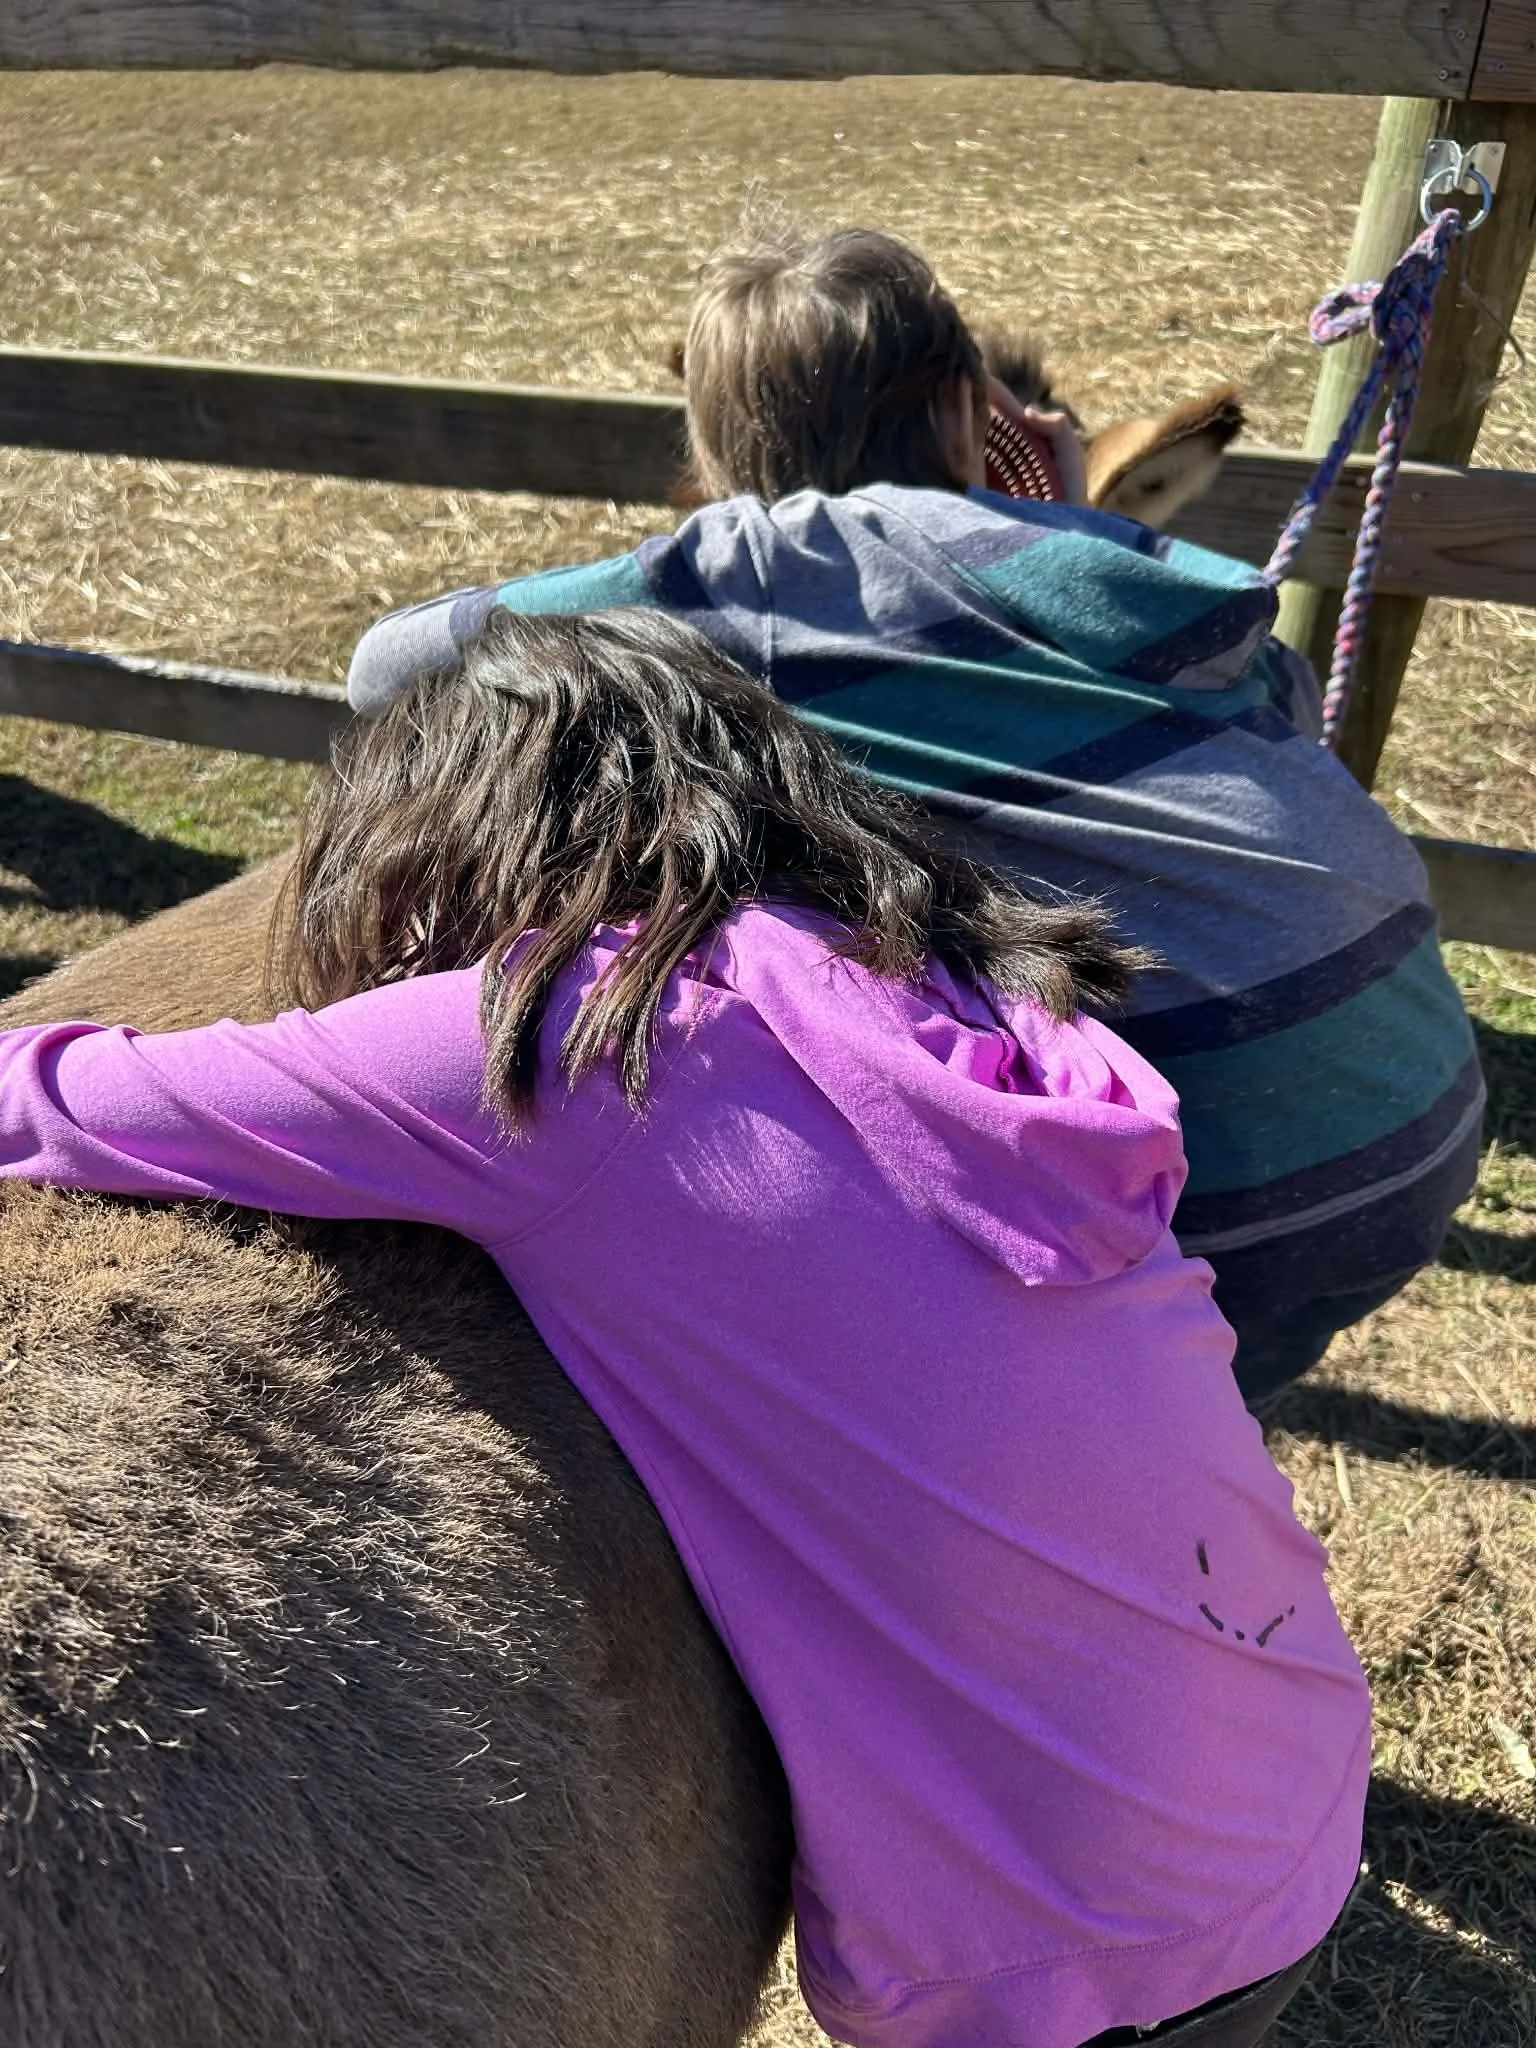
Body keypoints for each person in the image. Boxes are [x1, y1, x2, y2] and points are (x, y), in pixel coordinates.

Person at [0, 608, 1367, 2048]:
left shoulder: (580, 1045)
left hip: (1058, 1953)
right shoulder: (965, 991)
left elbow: (60, 1104)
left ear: (467, 828)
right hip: (1295, 1780)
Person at [347, 225, 1483, 1407]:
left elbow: (390, 666)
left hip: (1215, 1163)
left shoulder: (757, 575)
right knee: (1201, 1403)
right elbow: (1282, 704)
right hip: (1405, 1094)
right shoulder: (1118, 566)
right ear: (970, 407)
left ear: (714, 450)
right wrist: (1064, 494)